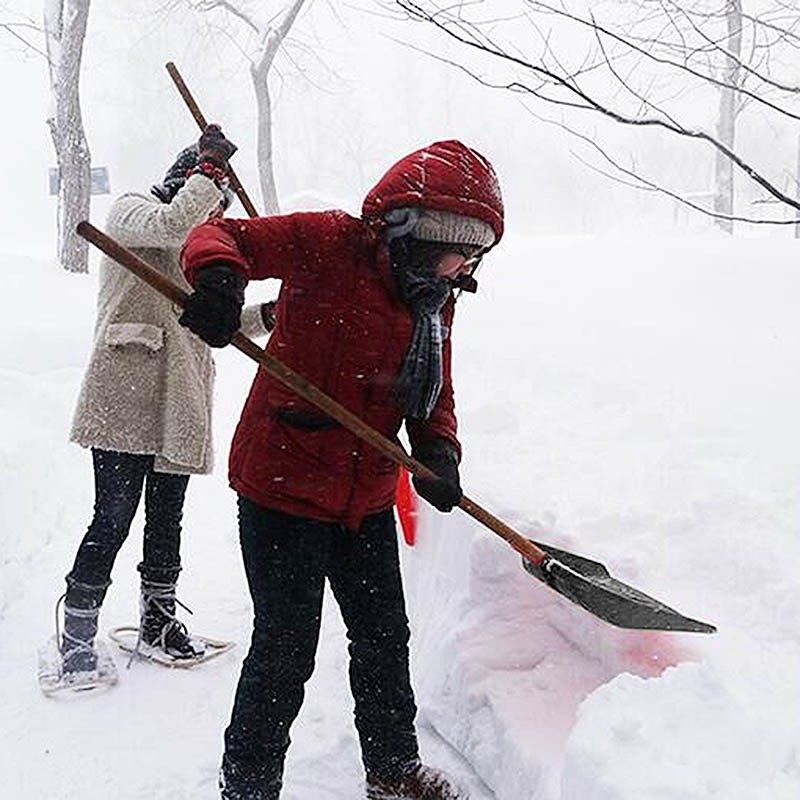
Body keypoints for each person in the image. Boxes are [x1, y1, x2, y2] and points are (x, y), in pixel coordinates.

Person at [179, 139, 504, 800]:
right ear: (413, 233)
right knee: (286, 647)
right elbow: (219, 236)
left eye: (475, 255)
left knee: (384, 637)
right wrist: (218, 279)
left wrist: (438, 449)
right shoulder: (329, 241)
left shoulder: (434, 293)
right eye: (458, 250)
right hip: (283, 484)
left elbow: (435, 385)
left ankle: (393, 770)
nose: (464, 267)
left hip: (367, 494)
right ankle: (249, 785)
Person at [56, 124, 276, 684]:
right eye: (210, 202)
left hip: (180, 396)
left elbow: (212, 324)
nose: (212, 219)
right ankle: (76, 632)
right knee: (112, 517)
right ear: (186, 180)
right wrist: (210, 170)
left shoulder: (197, 245)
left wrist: (267, 316)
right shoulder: (133, 213)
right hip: (125, 394)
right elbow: (173, 224)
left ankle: (157, 622)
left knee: (166, 521)